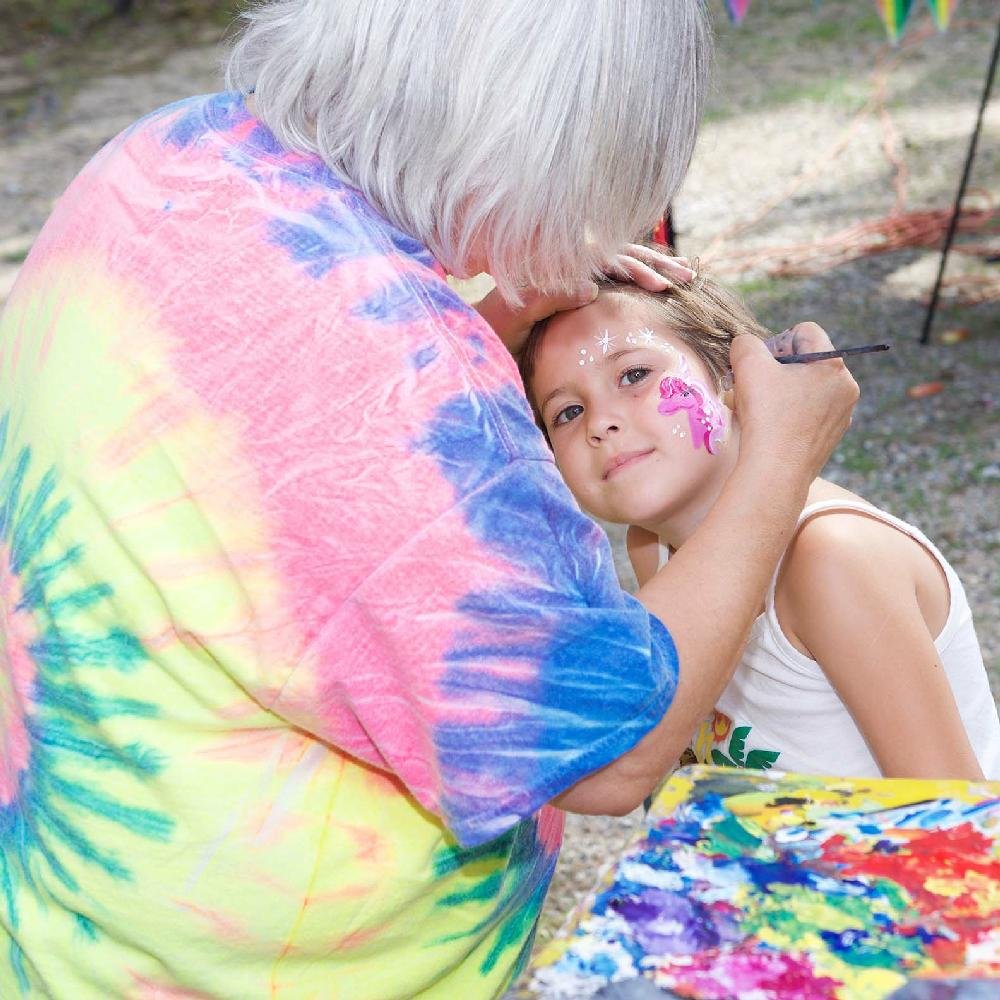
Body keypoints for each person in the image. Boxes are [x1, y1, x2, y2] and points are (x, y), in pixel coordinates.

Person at [0, 2, 858, 997]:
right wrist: (776, 460)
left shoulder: (172, 154)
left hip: (72, 923)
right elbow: (611, 757)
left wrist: (490, 314)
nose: (587, 221)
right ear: (527, 133)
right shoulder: (399, 383)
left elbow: (288, 436)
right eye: (584, 181)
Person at [517, 273, 1000, 783]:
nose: (600, 422)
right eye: (567, 411)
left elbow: (951, 811)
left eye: (634, 375)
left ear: (736, 377)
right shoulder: (653, 547)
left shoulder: (831, 559)